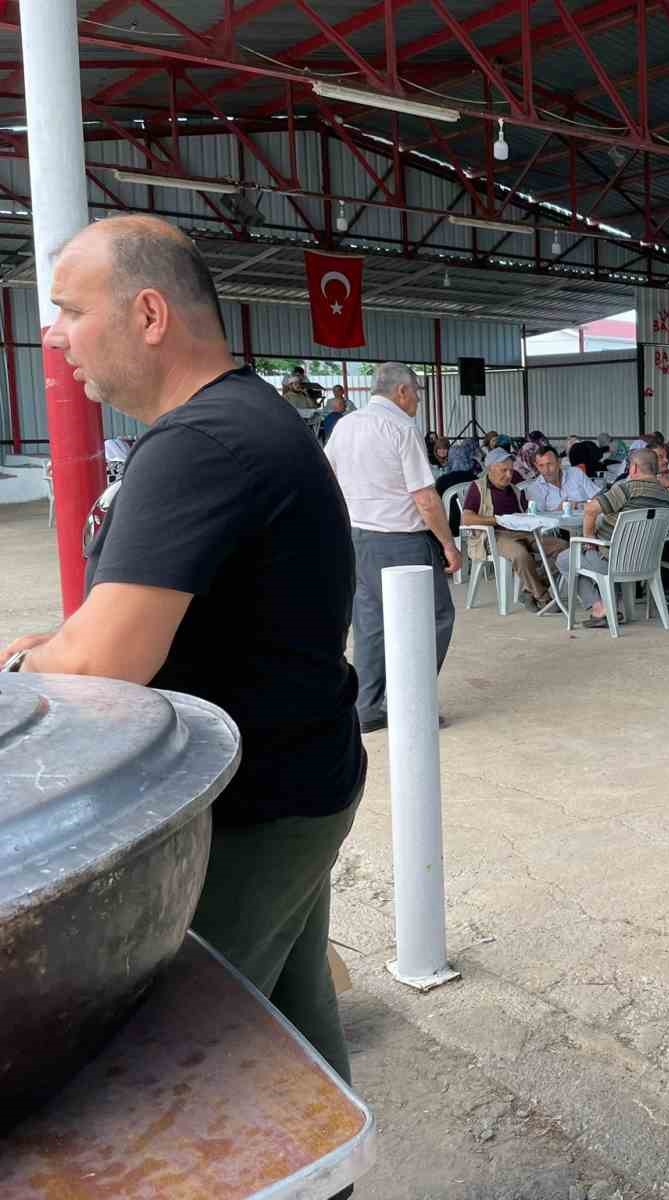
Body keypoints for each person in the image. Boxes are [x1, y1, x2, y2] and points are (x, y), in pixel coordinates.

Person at [3, 215, 365, 1084]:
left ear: (150, 314)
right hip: (300, 779)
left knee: (179, 1062)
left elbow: (103, 668)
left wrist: (31, 667)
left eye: (69, 310)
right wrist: (65, 640)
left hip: (254, 810)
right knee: (288, 1016)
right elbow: (159, 617)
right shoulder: (243, 418)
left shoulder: (201, 443)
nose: (52, 336)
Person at [326, 361, 460, 732]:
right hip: (401, 540)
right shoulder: (401, 427)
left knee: (371, 624)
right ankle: (409, 702)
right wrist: (449, 545)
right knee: (433, 618)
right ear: (401, 391)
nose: (418, 398)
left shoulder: (345, 425)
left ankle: (367, 707)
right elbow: (425, 498)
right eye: (416, 391)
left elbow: (329, 481)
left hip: (358, 538)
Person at [555, 447, 669, 628]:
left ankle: (600, 608)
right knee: (599, 551)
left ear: (633, 468)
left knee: (564, 559)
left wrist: (589, 538)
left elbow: (590, 509)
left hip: (612, 561)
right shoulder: (666, 495)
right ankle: (612, 604)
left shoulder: (627, 489)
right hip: (646, 561)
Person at [459, 448, 554, 610]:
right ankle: (543, 596)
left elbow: (525, 514)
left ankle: (528, 589)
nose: (509, 475)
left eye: (511, 470)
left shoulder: (514, 489)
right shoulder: (478, 488)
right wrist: (496, 520)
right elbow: (466, 518)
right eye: (504, 470)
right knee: (521, 555)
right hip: (493, 535)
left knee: (563, 548)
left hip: (521, 533)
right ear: (490, 469)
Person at [526, 444, 600, 510]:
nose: (546, 470)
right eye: (541, 465)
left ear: (559, 462)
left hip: (587, 521)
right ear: (536, 466)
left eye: (550, 464)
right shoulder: (535, 488)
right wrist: (558, 510)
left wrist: (579, 505)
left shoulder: (576, 473)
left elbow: (597, 497)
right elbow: (538, 518)